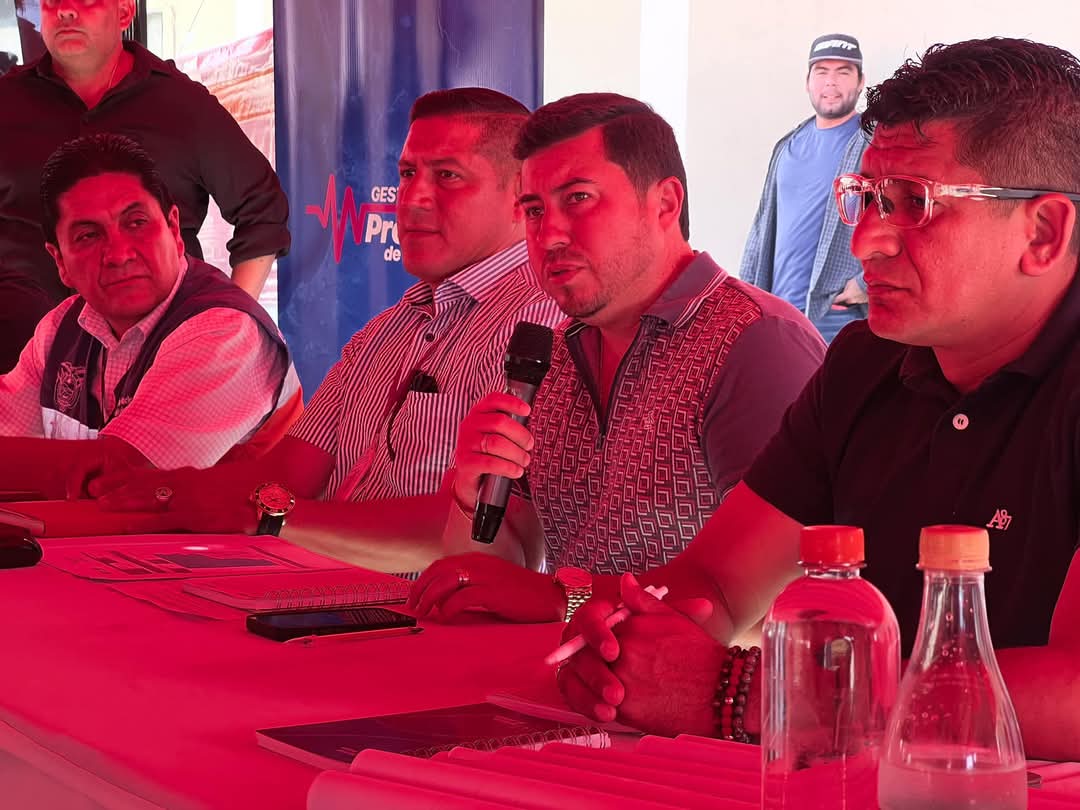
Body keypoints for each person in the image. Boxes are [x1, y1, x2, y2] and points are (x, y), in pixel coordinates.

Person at [553, 38, 1080, 762]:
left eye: (915, 204)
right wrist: (625, 641)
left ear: (1044, 232)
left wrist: (759, 693)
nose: (865, 242)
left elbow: (1074, 694)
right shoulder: (867, 362)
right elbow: (714, 584)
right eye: (865, 197)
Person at [89, 88, 564, 573]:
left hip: (419, 608)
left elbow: (486, 529)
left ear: (520, 196)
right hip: (314, 589)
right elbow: (288, 475)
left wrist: (266, 519)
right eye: (407, 174)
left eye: (447, 176)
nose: (414, 198)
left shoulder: (540, 326)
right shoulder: (388, 329)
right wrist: (169, 491)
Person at [407, 93, 825, 623]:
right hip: (559, 670)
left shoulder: (754, 342)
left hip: (703, 679)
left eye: (578, 198)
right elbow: (497, 577)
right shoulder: (554, 357)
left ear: (665, 203)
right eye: (534, 210)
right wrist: (471, 494)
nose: (548, 235)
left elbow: (776, 608)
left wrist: (563, 601)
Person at [0, 134, 300, 499]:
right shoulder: (60, 329)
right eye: (88, 236)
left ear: (174, 229)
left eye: (136, 222)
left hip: (241, 539)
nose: (118, 254)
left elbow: (119, 477)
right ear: (59, 261)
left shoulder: (226, 333)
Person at [0, 0, 289, 371]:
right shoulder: (6, 105)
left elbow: (263, 211)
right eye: (52, 0)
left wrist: (227, 327)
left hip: (159, 366)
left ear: (124, 12)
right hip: (19, 364)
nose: (66, 10)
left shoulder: (182, 106)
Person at [740, 33, 869, 342]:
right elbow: (762, 229)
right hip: (778, 312)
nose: (831, 82)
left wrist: (865, 284)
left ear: (861, 82)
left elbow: (902, 220)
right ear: (808, 82)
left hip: (835, 316)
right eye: (822, 71)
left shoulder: (873, 143)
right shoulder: (788, 146)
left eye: (843, 72)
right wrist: (745, 296)